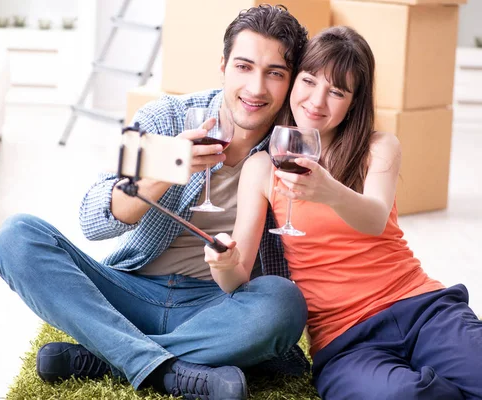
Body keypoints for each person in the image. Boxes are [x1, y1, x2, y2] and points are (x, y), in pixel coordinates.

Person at [0, 5, 310, 400]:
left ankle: (112, 357)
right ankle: (174, 368)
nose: (257, 88)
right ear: (223, 66)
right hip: (131, 291)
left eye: (274, 73)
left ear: (291, 81)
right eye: (244, 67)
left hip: (218, 306)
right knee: (16, 237)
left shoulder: (292, 147)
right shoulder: (165, 117)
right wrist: (165, 168)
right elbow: (95, 219)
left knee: (283, 303)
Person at [205, 25, 482, 400]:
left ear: (355, 101)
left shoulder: (379, 147)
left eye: (337, 91)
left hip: (421, 308)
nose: (317, 101)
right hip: (345, 340)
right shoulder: (262, 168)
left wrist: (328, 190)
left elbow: (374, 217)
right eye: (308, 81)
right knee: (404, 396)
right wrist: (222, 263)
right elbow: (237, 279)